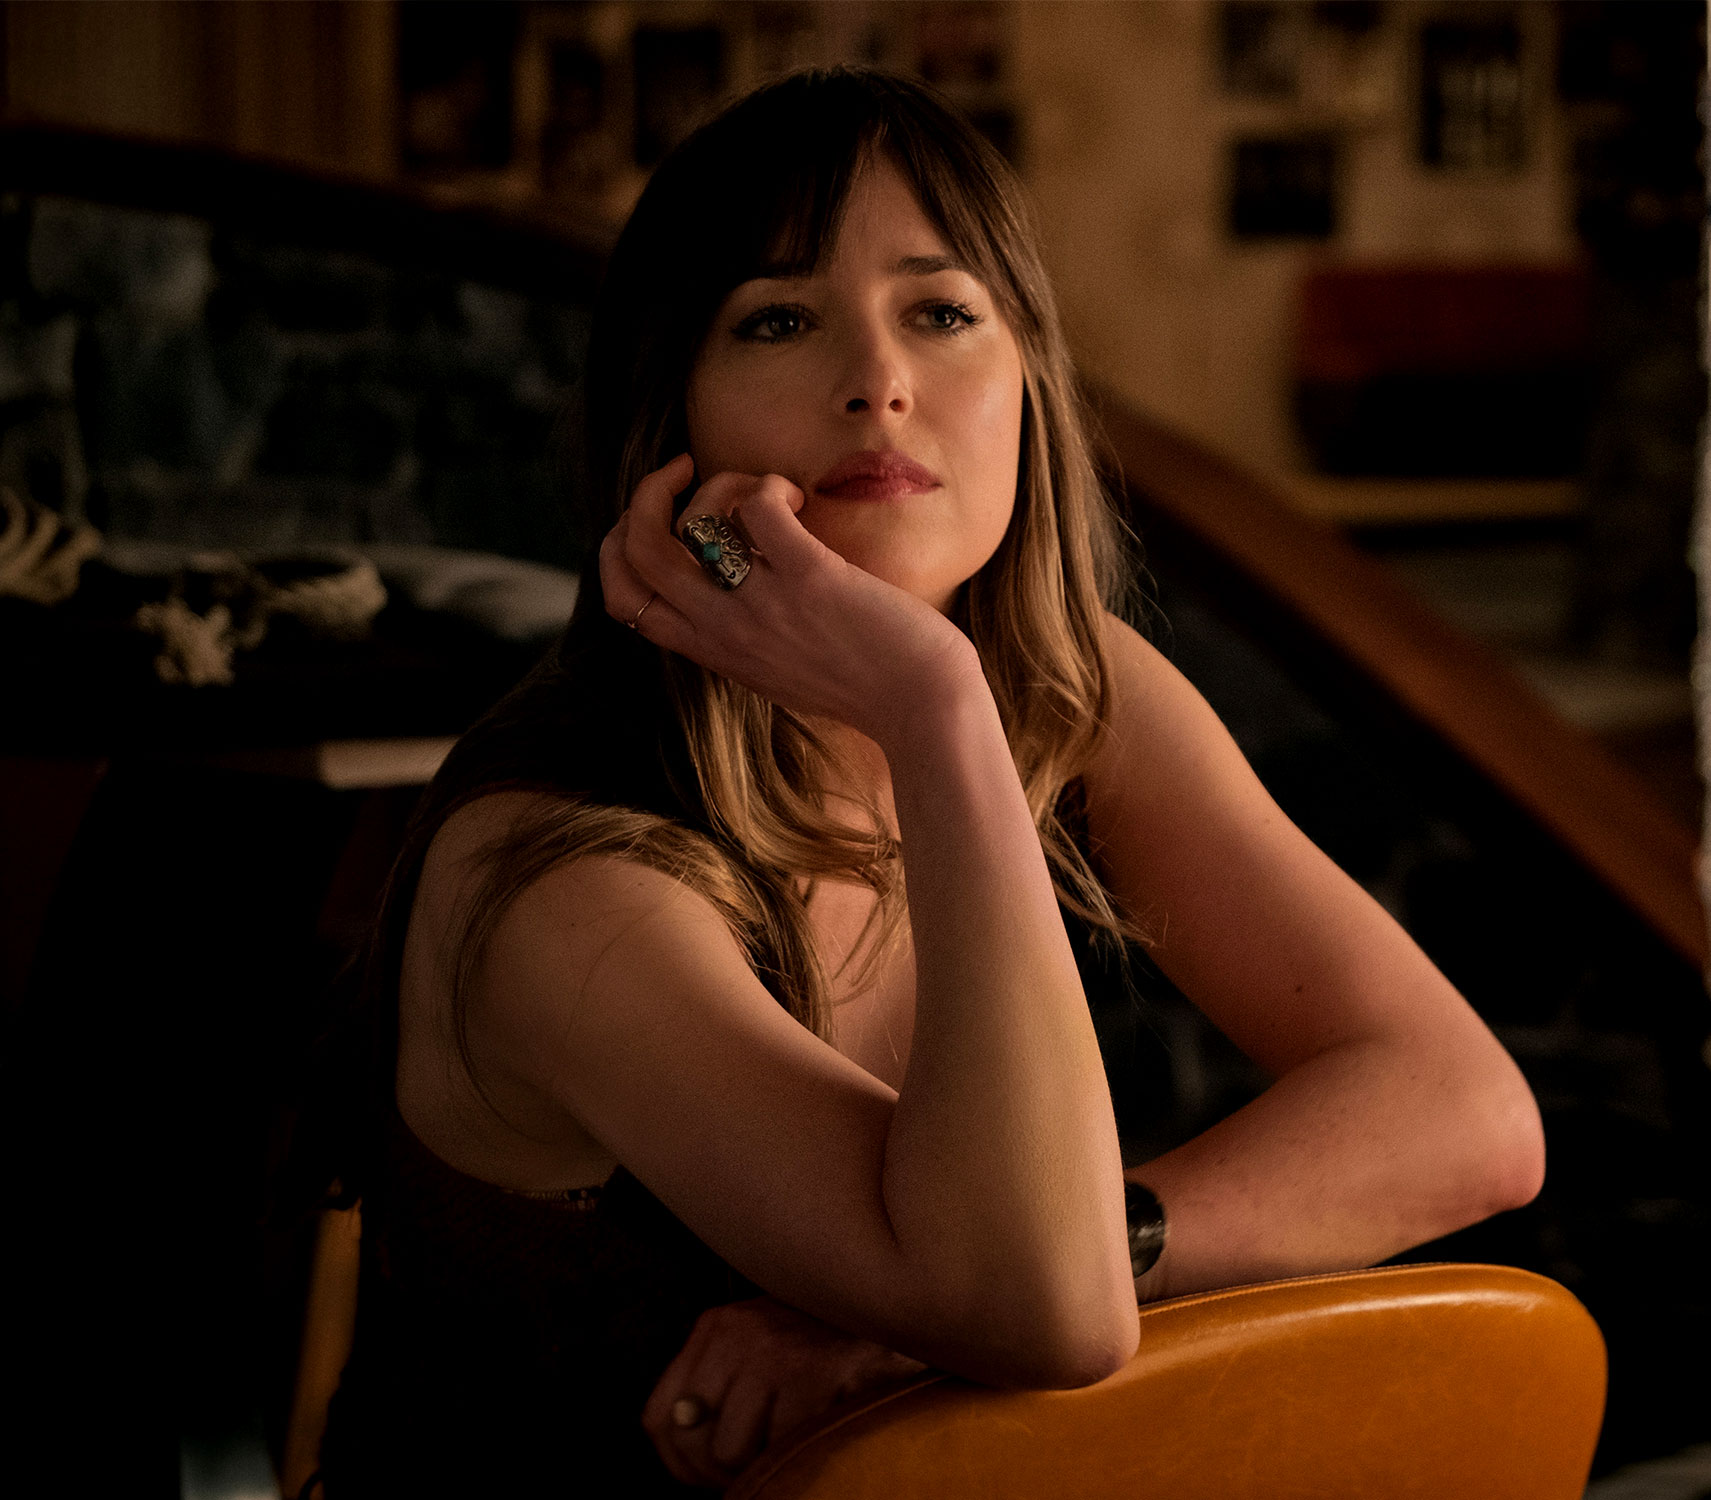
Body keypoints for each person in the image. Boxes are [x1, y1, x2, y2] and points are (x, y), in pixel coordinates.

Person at [316, 66, 1543, 1497]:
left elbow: (1469, 1115)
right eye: (778, 319)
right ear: (668, 415)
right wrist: (933, 704)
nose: (879, 381)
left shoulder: (1063, 684)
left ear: (1027, 384)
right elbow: (1045, 1310)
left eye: (943, 312)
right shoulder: (567, 870)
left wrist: (960, 1298)